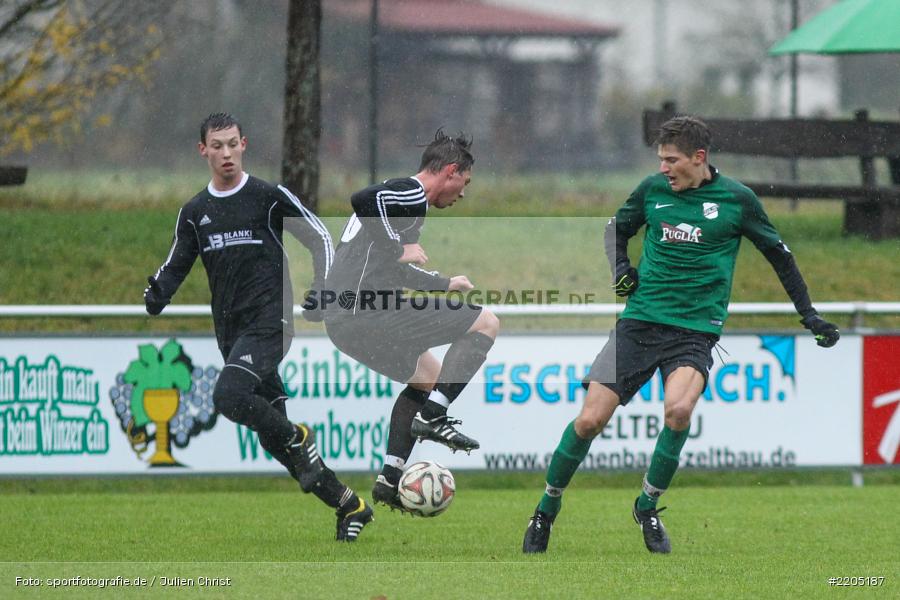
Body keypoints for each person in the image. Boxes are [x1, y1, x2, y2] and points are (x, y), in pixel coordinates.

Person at [522, 115, 840, 554]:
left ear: (699, 158)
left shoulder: (737, 200)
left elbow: (779, 256)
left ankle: (647, 505)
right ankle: (545, 510)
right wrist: (621, 271)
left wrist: (810, 315)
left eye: (672, 160)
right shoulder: (652, 191)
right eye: (660, 160)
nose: (664, 169)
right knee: (590, 420)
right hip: (639, 323)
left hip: (694, 331)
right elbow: (615, 228)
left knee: (678, 410)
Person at [143, 113, 373, 541]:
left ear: (244, 144)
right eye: (217, 146)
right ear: (203, 151)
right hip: (231, 336)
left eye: (233, 144)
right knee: (276, 443)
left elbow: (319, 237)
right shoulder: (195, 212)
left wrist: (322, 290)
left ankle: (298, 435)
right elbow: (176, 264)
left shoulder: (267, 196)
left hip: (272, 322)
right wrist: (157, 293)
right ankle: (349, 505)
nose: (226, 153)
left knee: (229, 396)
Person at [313, 129, 500, 512]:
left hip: (344, 321)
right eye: (463, 183)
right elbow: (363, 199)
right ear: (449, 172)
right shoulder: (411, 193)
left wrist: (445, 283)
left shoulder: (405, 208)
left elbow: (393, 269)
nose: (462, 193)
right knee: (486, 322)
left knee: (428, 378)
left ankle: (390, 478)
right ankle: (433, 417)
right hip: (364, 309)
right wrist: (397, 247)